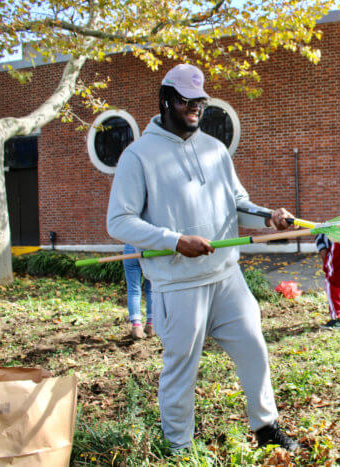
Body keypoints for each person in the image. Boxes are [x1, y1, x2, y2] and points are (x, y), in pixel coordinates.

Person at [107, 63, 300, 452]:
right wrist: (174, 240)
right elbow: (119, 221)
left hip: (227, 277)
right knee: (181, 368)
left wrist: (269, 217)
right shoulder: (138, 156)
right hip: (178, 284)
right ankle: (179, 447)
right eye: (185, 101)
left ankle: (265, 426)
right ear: (165, 100)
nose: (194, 108)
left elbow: (237, 204)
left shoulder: (215, 150)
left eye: (200, 102)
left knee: (254, 348)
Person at [315, 234, 340, 328]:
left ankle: (338, 317)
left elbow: (324, 255)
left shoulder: (320, 237)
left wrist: (328, 269)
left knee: (332, 282)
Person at [122, 244, 153, 339]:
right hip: (149, 248)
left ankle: (136, 326)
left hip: (130, 248)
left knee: (133, 290)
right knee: (151, 289)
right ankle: (151, 325)